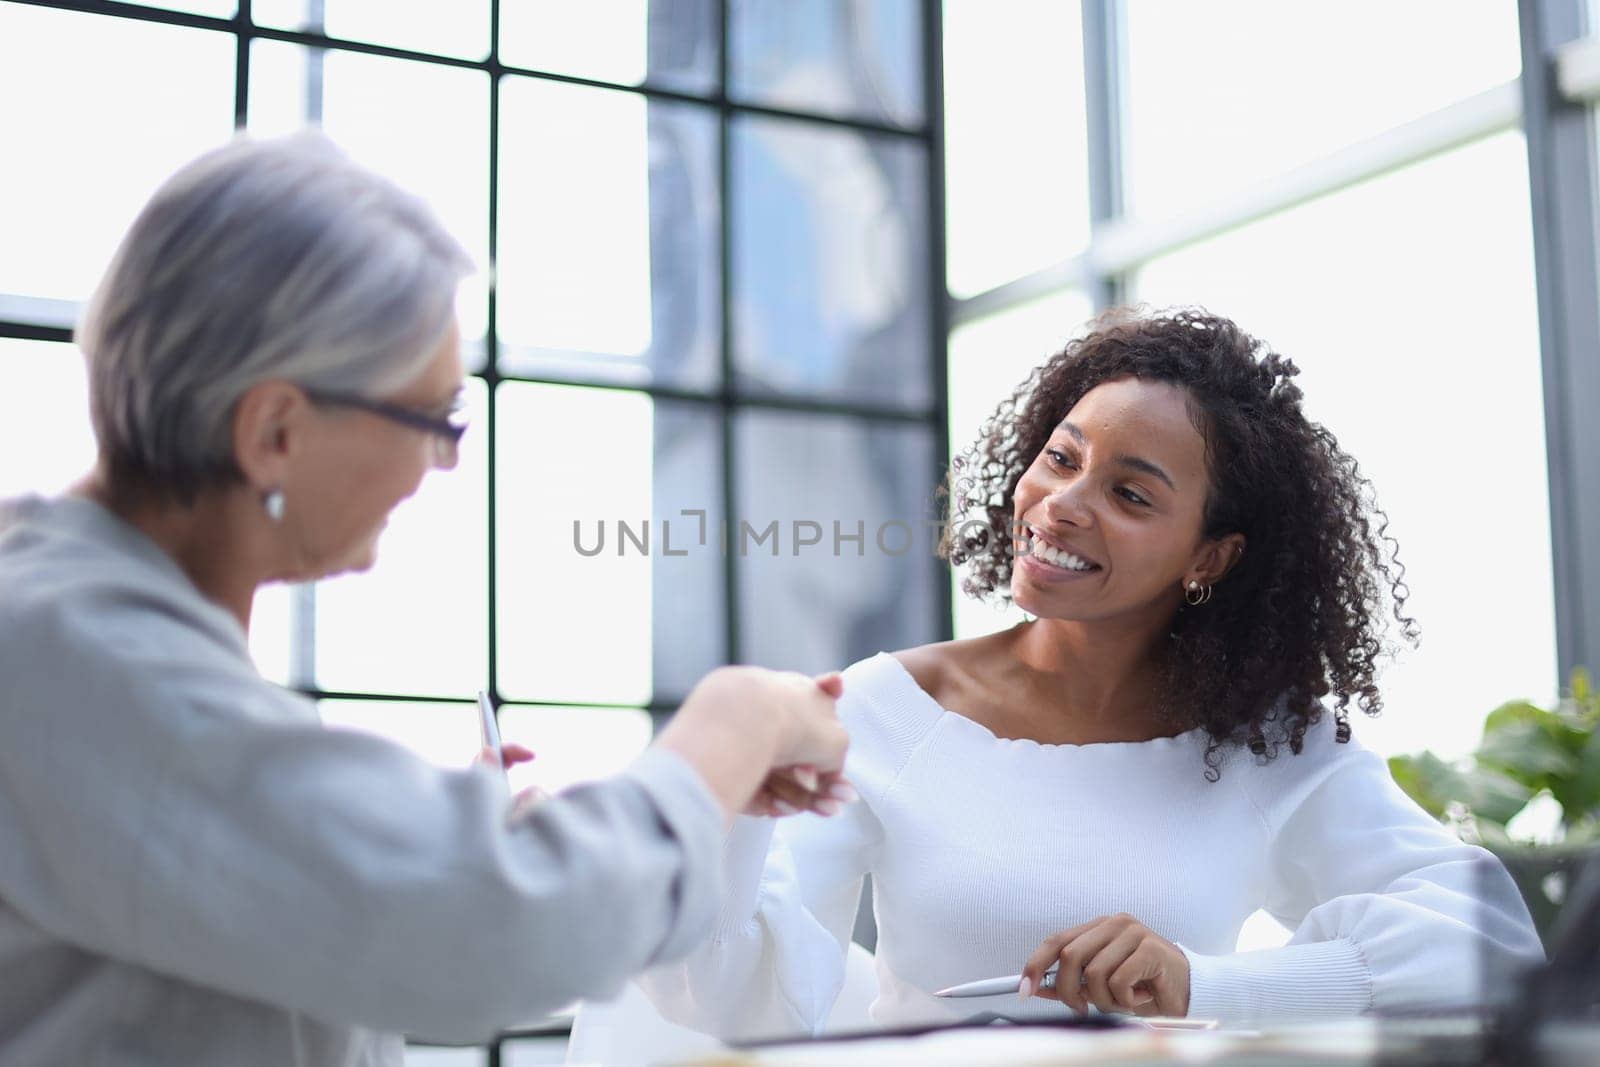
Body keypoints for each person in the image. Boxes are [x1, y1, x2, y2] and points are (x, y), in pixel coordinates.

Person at [0, 134, 854, 1067]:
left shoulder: (86, 627)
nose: (443, 462)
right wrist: (733, 726)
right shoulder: (70, 656)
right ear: (276, 430)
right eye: (435, 419)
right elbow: (501, 927)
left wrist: (409, 844)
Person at [637, 308, 1545, 1040]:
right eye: (1062, 458)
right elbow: (739, 1007)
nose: (1061, 505)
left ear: (1212, 557)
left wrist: (1200, 980)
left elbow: (1486, 942)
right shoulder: (891, 710)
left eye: (1131, 493)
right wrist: (739, 820)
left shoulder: (1266, 742)